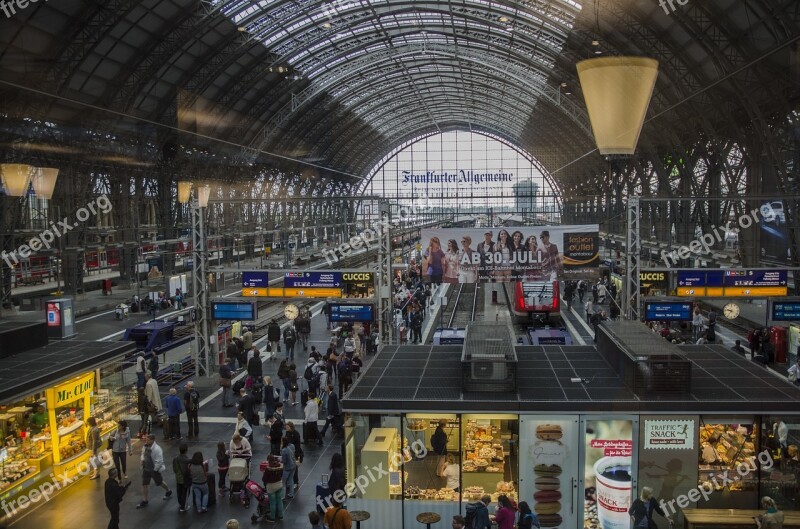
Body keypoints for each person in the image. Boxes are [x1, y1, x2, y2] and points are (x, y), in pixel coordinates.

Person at [136, 434, 172, 508]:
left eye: (148, 440)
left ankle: (168, 490)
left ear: (152, 440)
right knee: (144, 484)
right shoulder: (145, 446)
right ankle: (145, 500)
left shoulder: (157, 449)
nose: (146, 441)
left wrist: (155, 470)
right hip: (145, 469)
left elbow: (160, 461)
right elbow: (142, 454)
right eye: (146, 439)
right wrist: (142, 460)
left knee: (160, 482)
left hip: (153, 469)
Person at [262, 454, 284, 522]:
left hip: (271, 487)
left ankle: (272, 517)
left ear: (268, 460)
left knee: (272, 502)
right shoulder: (279, 466)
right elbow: (281, 474)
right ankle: (281, 516)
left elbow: (264, 479)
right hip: (279, 485)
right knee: (279, 501)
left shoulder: (268, 469)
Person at [172, 442, 190, 512]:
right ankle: (183, 506)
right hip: (185, 479)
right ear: (186, 450)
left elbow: (174, 468)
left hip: (178, 477)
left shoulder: (175, 458)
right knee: (185, 492)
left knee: (179, 491)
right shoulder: (187, 460)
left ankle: (180, 503)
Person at [286, 421, 303, 489]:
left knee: (294, 469)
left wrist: (297, 455)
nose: (286, 428)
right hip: (288, 452)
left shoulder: (296, 434)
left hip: (294, 453)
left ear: (291, 427)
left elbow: (298, 445)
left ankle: (295, 482)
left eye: (287, 427)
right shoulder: (287, 433)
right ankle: (289, 481)